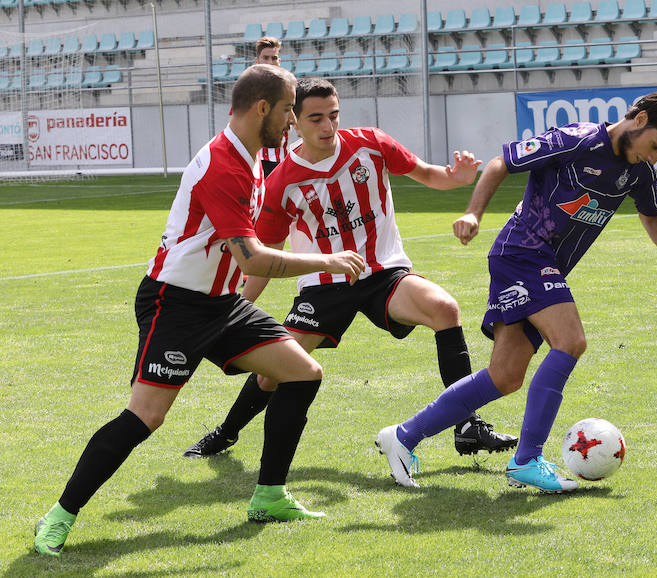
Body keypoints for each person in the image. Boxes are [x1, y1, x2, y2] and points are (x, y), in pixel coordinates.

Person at [32, 65, 366, 557]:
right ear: (262, 110)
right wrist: (329, 261)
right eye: (290, 109)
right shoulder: (223, 166)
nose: (294, 119)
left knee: (302, 372)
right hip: (176, 304)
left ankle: (269, 495)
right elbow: (253, 258)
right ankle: (59, 516)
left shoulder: (251, 155)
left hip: (223, 304)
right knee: (146, 416)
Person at [376, 90, 657, 492]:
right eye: (656, 146)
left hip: (541, 266)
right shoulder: (575, 139)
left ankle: (403, 436)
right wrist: (473, 213)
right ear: (640, 119)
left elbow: (651, 213)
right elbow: (500, 163)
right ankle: (527, 459)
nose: (654, 157)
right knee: (571, 341)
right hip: (522, 254)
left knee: (505, 376)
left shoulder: (638, 172)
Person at [182, 76, 518, 462]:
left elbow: (426, 173)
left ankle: (467, 425)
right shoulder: (282, 182)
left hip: (383, 273)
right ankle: (225, 433)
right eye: (315, 119)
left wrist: (455, 178)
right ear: (293, 120)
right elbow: (266, 254)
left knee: (444, 308)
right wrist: (236, 306)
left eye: (333, 115)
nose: (327, 127)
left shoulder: (371, 144)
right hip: (323, 286)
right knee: (270, 374)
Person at [254, 36, 290, 177]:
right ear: (257, 61)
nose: (270, 62)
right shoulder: (247, 90)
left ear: (279, 61)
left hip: (283, 160)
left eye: (274, 58)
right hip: (258, 161)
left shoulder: (289, 89)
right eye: (266, 58)